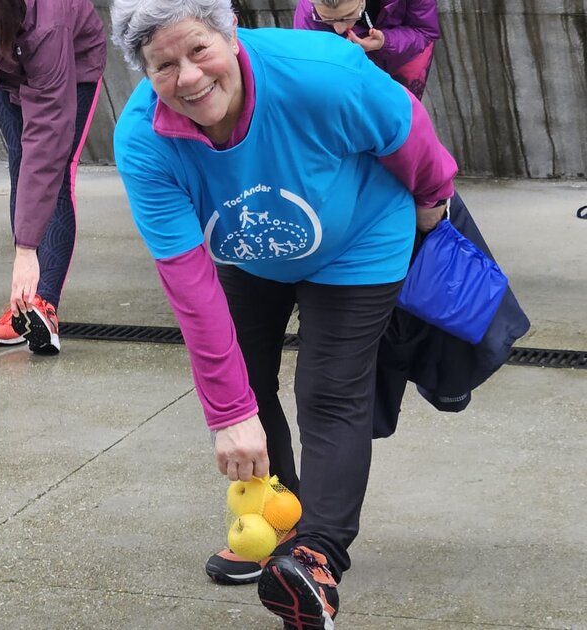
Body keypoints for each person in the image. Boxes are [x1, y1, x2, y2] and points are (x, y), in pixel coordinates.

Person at [110, 0, 456, 626]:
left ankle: (316, 555)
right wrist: (229, 413)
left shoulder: (320, 71)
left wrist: (433, 199)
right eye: (163, 65)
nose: (189, 77)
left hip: (359, 237)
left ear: (229, 33)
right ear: (144, 72)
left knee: (328, 388)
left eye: (198, 50)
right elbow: (190, 286)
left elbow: (406, 127)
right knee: (244, 379)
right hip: (248, 247)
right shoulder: (143, 142)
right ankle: (278, 516)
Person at [0, 0, 106, 354]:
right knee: (19, 164)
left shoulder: (48, 27)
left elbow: (46, 149)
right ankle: (21, 306)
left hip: (70, 61)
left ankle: (42, 303)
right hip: (2, 57)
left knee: (50, 171)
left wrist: (25, 251)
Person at [293, 0, 440, 100]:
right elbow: (311, 71)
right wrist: (339, 59)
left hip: (406, 55)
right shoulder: (308, 10)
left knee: (406, 112)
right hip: (351, 72)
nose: (339, 30)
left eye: (347, 17)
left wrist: (386, 42)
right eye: (326, 19)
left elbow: (425, 31)